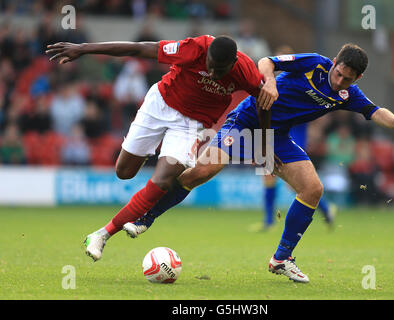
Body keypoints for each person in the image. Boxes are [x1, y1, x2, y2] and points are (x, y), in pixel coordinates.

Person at [123, 43, 394, 283]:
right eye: (339, 73)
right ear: (333, 62)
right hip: (245, 121)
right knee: (202, 171)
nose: (340, 80)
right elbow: (266, 61)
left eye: (348, 78)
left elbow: (374, 110)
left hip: (276, 138)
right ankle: (145, 217)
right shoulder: (313, 63)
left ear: (358, 79)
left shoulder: (347, 94)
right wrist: (269, 84)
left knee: (312, 189)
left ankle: (281, 259)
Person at [46, 35, 277, 261]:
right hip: (161, 103)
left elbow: (264, 103)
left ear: (233, 63)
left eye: (221, 71)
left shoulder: (246, 71)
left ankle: (102, 234)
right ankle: (154, 151)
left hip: (191, 124)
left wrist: (264, 144)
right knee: (124, 172)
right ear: (207, 57)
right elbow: (139, 49)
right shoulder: (195, 48)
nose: (214, 75)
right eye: (211, 67)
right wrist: (84, 49)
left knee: (163, 180)